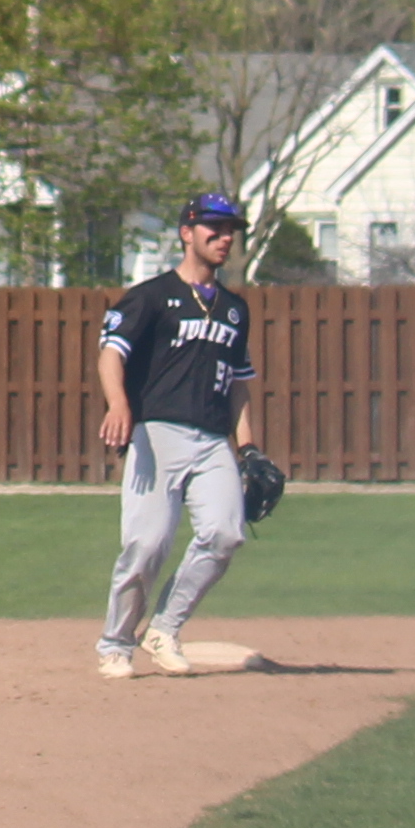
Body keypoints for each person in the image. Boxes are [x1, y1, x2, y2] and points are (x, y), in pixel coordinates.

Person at [94, 190, 259, 679]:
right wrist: (120, 403)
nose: (224, 237)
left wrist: (246, 447)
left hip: (211, 439)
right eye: (214, 227)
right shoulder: (151, 297)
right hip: (156, 433)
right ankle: (116, 643)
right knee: (146, 546)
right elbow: (111, 352)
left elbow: (240, 386)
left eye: (230, 229)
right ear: (187, 233)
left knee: (225, 533)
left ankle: (164, 627)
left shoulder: (234, 310)